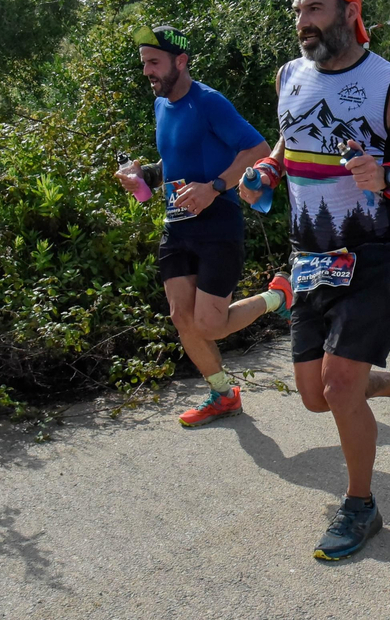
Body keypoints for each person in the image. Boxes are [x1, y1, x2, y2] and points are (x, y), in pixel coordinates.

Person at [239, 0, 390, 561]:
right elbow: (289, 137)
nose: (302, 24)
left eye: (315, 11)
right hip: (310, 256)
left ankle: (360, 506)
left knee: (338, 384)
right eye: (298, 12)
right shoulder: (289, 77)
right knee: (315, 394)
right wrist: (268, 172)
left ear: (350, 14)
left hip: (373, 255)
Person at [114, 24, 292, 428]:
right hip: (176, 226)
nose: (147, 72)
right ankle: (224, 395)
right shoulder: (161, 105)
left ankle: (278, 297)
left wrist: (215, 188)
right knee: (182, 318)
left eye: (154, 63)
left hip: (217, 224)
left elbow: (259, 150)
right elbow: (175, 166)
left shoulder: (209, 102)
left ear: (181, 61)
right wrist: (143, 175)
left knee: (210, 323)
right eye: (144, 63)